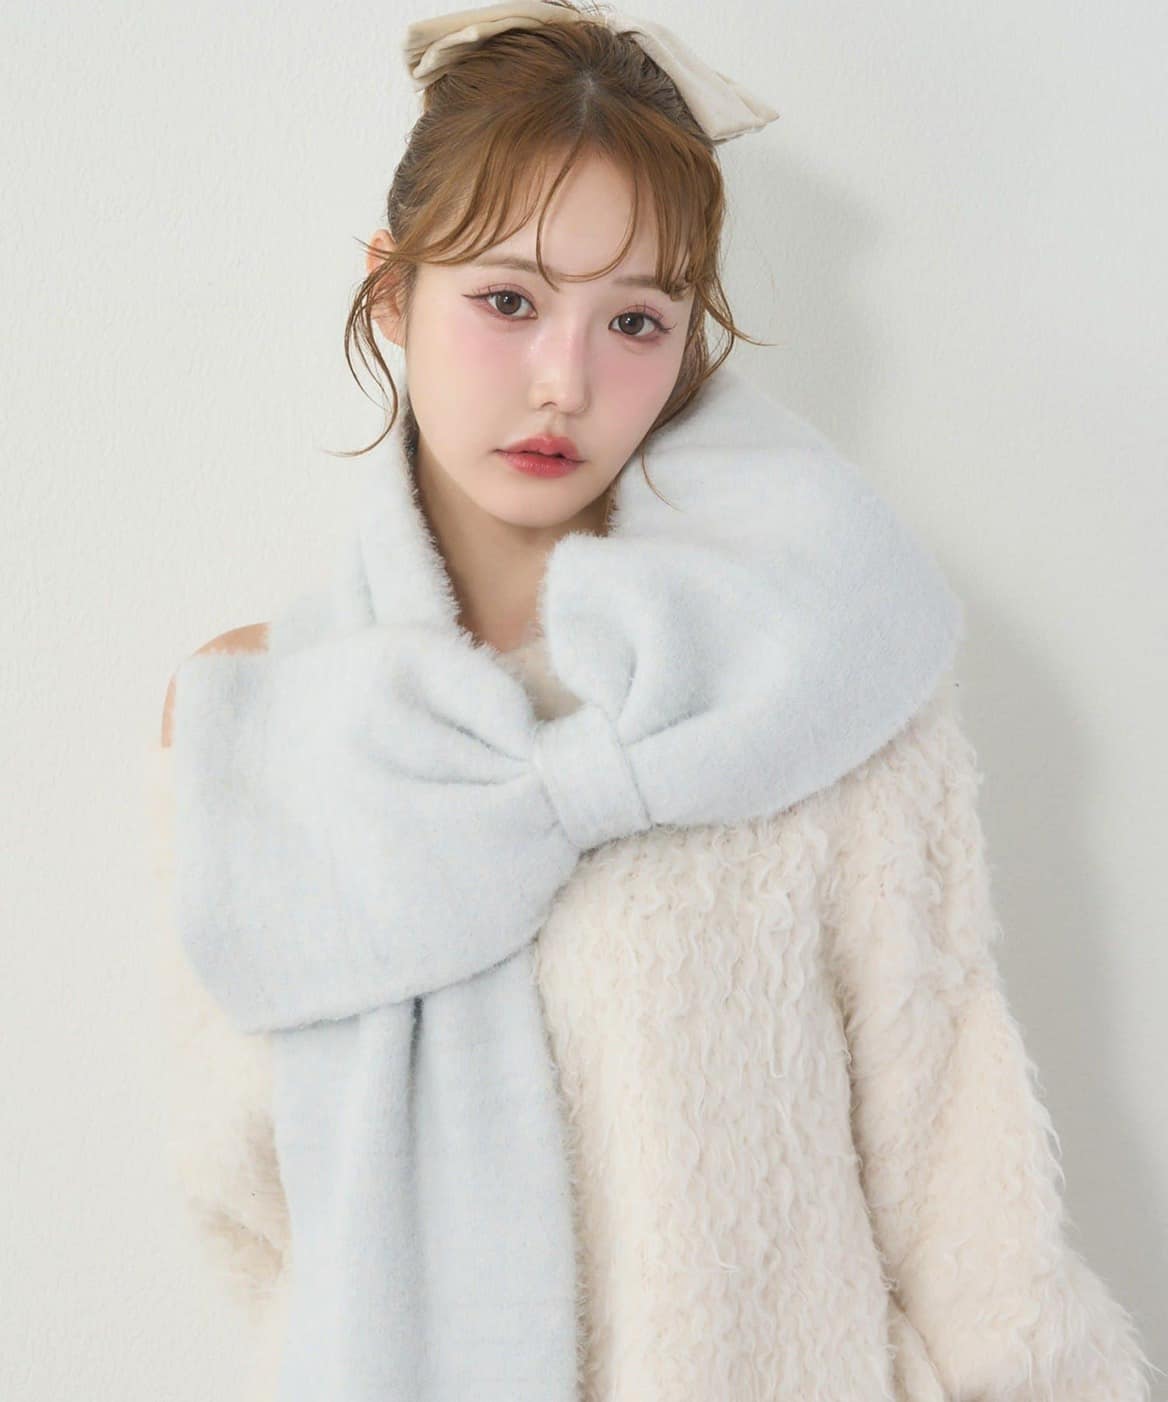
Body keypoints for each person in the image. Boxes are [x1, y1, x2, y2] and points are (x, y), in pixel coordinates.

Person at [146, 4, 1154, 1399]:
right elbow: (254, 1210)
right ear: (392, 293)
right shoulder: (267, 724)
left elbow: (961, 1188)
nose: (565, 380)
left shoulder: (809, 677)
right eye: (508, 300)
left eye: (634, 319)